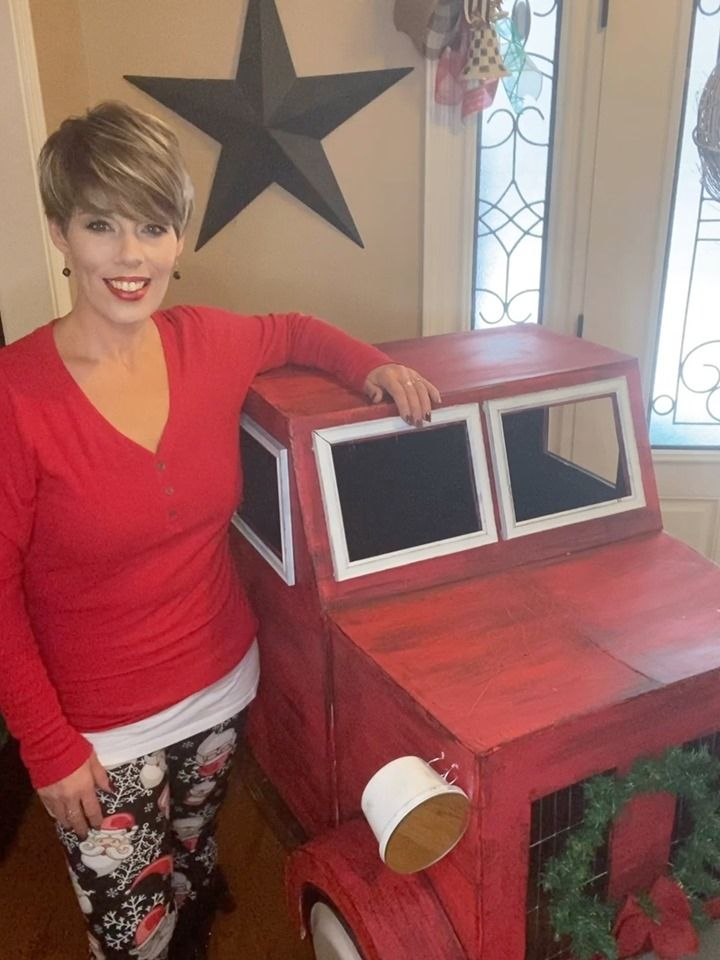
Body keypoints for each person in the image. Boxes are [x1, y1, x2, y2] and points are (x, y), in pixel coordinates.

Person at [0, 101, 440, 960]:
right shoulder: (15, 395)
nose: (131, 255)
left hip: (219, 688)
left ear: (177, 238)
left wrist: (375, 366)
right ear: (60, 231)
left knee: (193, 866)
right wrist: (46, 746)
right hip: (97, 732)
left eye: (154, 226)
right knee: (132, 939)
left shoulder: (207, 340)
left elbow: (297, 331)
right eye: (101, 224)